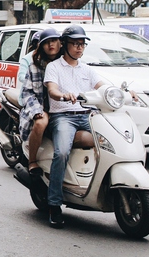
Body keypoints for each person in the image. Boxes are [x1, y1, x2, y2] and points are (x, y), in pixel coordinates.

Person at [44, 25, 107, 229]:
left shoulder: (86, 68)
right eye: (75, 44)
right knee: (61, 153)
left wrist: (123, 92)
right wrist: (63, 95)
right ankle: (54, 204)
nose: (79, 48)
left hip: (88, 115)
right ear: (65, 45)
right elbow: (52, 90)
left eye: (82, 44)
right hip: (63, 116)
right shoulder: (54, 67)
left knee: (110, 143)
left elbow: (103, 86)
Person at [18, 29, 61, 178]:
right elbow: (28, 93)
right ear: (41, 46)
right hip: (42, 105)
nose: (51, 45)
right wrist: (37, 111)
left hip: (63, 107)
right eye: (47, 42)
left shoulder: (67, 63)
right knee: (41, 123)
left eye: (54, 41)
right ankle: (32, 161)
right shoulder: (34, 65)